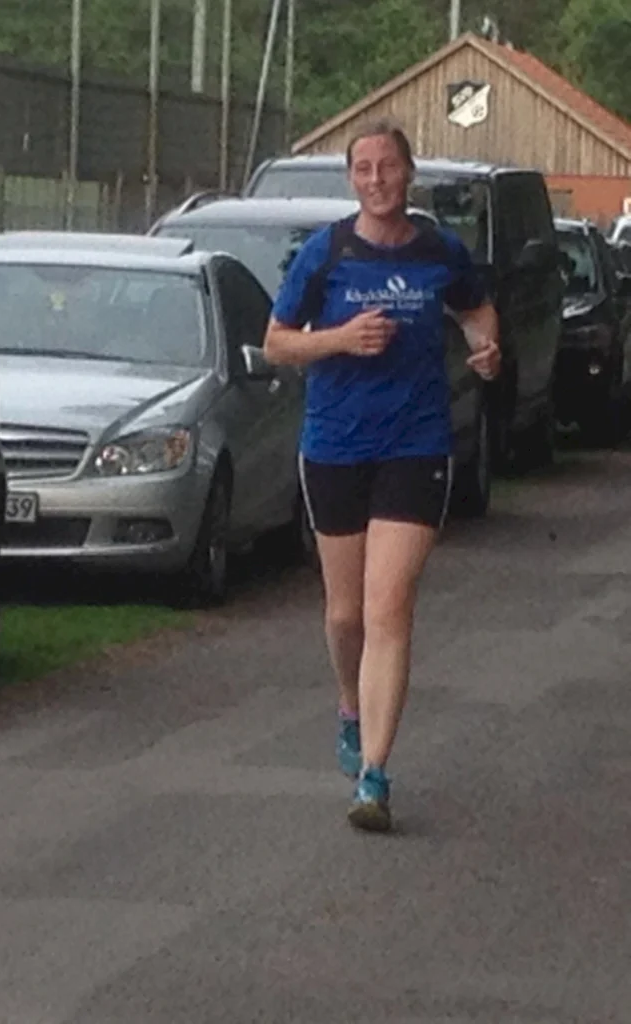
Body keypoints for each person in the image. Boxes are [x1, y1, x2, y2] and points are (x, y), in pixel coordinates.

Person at [262, 121, 501, 832]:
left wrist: (483, 345)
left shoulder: (438, 250)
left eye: (387, 167)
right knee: (346, 617)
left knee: (388, 609)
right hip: (336, 445)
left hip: (416, 444)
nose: (376, 179)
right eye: (363, 168)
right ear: (351, 179)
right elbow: (276, 343)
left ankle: (373, 776)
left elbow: (476, 307)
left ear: (408, 173)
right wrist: (340, 339)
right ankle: (347, 702)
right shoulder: (326, 253)